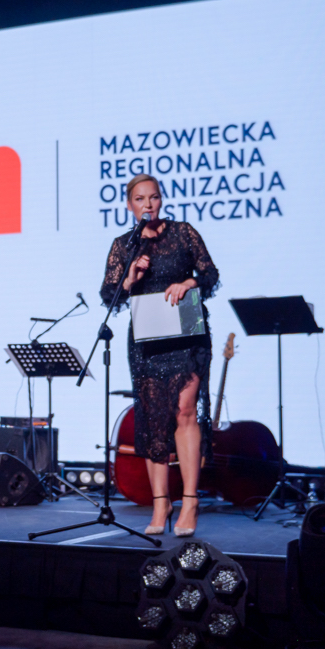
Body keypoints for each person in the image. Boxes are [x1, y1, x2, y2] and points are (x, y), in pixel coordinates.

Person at [99, 174, 219, 537]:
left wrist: (189, 283)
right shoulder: (124, 245)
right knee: (153, 421)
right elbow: (109, 295)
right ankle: (160, 502)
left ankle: (190, 501)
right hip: (147, 340)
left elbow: (210, 274)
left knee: (185, 411)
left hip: (186, 333)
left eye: (153, 197)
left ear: (161, 200)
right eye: (140, 199)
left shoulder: (183, 233)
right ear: (129, 205)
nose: (147, 204)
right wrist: (130, 279)